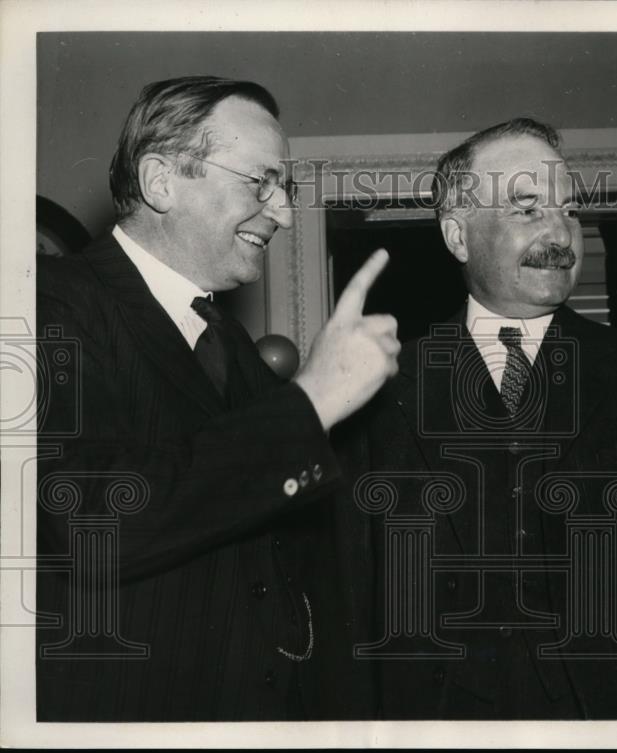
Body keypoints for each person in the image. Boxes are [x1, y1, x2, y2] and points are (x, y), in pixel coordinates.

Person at [35, 76, 399, 721]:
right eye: (259, 181)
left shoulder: (229, 343)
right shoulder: (46, 304)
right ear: (161, 181)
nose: (284, 211)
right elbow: (93, 522)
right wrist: (310, 401)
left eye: (282, 188)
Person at [333, 118, 617, 719]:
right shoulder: (380, 385)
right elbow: (352, 595)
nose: (559, 232)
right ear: (458, 235)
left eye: (567, 209)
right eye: (527, 208)